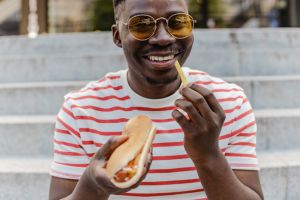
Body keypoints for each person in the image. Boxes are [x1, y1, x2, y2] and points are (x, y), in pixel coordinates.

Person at [49, 0, 264, 199]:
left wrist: (208, 155)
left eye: (177, 22)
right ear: (117, 36)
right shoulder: (80, 110)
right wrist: (93, 185)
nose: (164, 38)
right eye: (141, 25)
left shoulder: (229, 103)